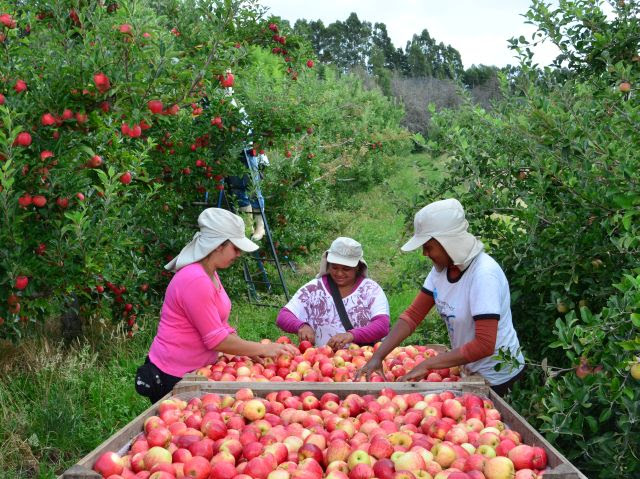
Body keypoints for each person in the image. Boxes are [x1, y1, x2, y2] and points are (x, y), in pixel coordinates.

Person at [355, 199, 525, 396]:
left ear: (448, 242)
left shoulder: (483, 275)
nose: (425, 253)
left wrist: (428, 365)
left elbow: (484, 344)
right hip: (468, 371)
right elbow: (412, 316)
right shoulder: (440, 271)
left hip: (499, 379)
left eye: (428, 246)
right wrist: (378, 356)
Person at [135, 208, 297, 403]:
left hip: (196, 371)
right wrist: (262, 349)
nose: (238, 254)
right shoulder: (195, 279)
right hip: (174, 375)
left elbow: (219, 323)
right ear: (218, 245)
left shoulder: (209, 273)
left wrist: (250, 350)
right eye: (235, 248)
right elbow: (217, 341)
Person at [276, 237, 390, 349]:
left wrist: (351, 335)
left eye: (346, 269)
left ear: (358, 267)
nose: (339, 273)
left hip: (364, 360)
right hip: (320, 361)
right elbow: (283, 316)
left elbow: (382, 325)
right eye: (334, 267)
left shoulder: (371, 290)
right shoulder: (314, 289)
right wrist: (301, 326)